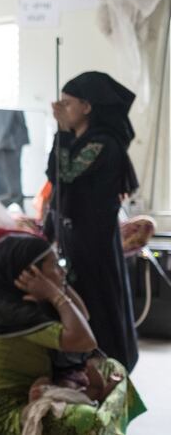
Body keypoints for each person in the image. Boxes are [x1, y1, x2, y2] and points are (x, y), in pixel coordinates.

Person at [0, 235, 145, 435]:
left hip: (37, 391)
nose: (62, 270)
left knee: (114, 370)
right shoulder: (12, 314)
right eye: (55, 265)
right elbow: (85, 341)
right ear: (32, 273)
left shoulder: (30, 302)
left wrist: (59, 285)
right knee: (85, 418)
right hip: (0, 411)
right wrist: (55, 293)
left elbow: (83, 317)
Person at [46, 71, 140, 370]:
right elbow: (55, 176)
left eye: (67, 103)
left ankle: (107, 362)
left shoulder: (103, 143)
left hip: (94, 241)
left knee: (98, 298)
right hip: (77, 237)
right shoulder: (79, 140)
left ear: (87, 106)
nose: (61, 109)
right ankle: (84, 363)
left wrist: (61, 131)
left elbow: (69, 172)